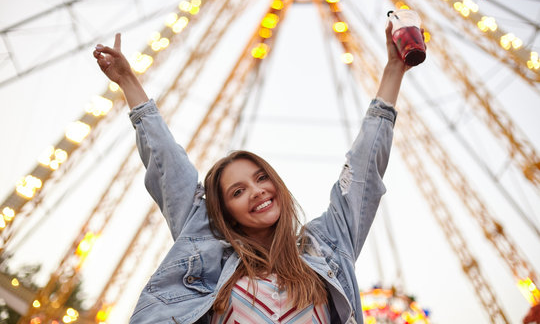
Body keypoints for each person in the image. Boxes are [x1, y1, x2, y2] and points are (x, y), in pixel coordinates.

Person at [93, 21, 414, 324]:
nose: (257, 190)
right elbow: (167, 164)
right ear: (224, 212)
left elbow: (363, 173)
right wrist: (128, 82)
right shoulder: (206, 254)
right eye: (238, 191)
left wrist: (394, 69)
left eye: (261, 178)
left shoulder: (327, 249)